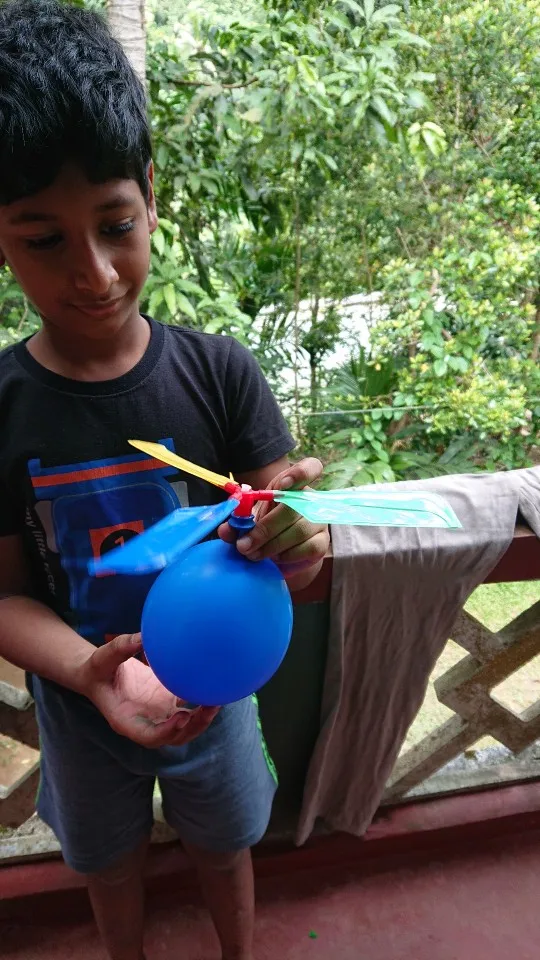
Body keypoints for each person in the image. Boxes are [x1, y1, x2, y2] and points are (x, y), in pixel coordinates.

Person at [0, 3, 329, 959]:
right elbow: (4, 596)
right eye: (43, 239)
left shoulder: (220, 375)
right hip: (80, 707)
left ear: (150, 195)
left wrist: (297, 534)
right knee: (109, 868)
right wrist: (88, 671)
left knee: (226, 849)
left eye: (114, 225)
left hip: (218, 700)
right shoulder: (5, 405)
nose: (96, 274)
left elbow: (297, 568)